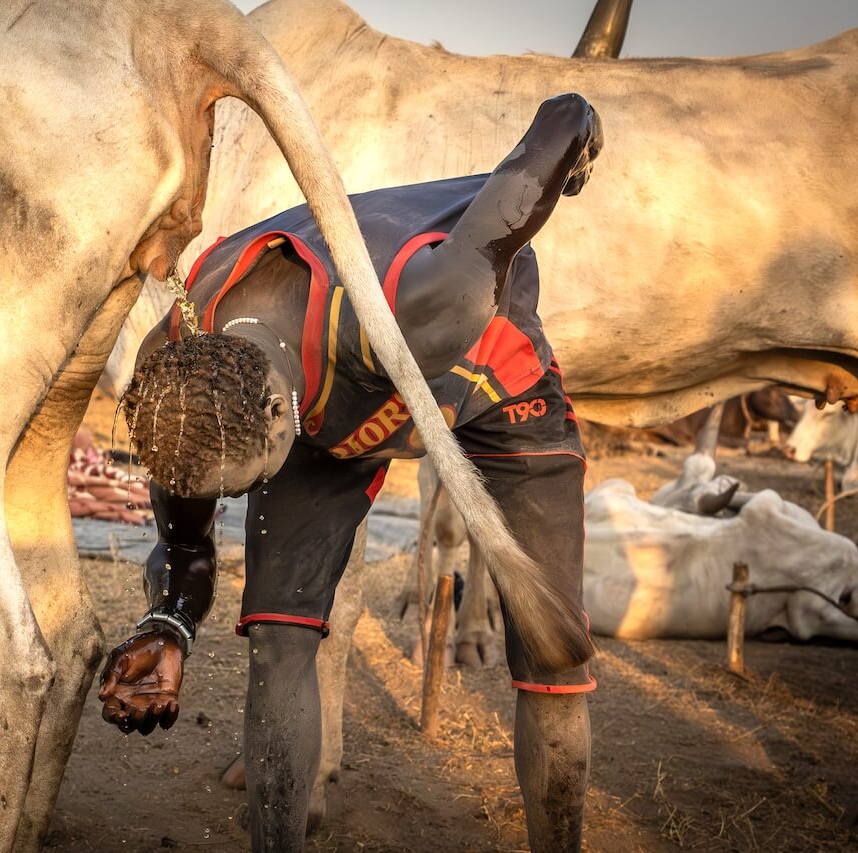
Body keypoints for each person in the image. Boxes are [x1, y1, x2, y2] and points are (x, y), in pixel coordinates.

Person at [100, 93, 602, 852]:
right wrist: (168, 622)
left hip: (492, 387)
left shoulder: (431, 302)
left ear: (278, 416)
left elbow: (559, 122)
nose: (232, 505)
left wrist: (579, 138)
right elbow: (183, 551)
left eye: (242, 485)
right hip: (324, 409)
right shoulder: (180, 385)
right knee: (277, 637)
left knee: (553, 654)